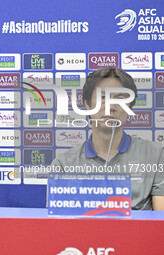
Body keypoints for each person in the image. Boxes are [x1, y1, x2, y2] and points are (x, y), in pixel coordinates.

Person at [51, 68, 164, 210]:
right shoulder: (63, 165)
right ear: (87, 104)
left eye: (120, 99)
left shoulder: (157, 155)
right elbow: (59, 226)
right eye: (102, 98)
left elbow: (160, 224)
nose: (110, 106)